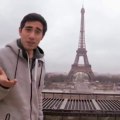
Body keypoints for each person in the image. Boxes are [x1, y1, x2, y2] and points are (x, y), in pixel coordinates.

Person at [0, 13, 47, 120]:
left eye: (37, 31)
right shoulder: (1, 57)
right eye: (28, 29)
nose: (32, 36)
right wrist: (3, 87)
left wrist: (39, 117)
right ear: (20, 31)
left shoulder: (41, 62)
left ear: (42, 36)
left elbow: (38, 95)